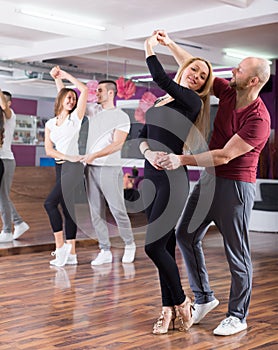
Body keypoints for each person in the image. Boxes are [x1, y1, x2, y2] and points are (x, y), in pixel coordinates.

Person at [157, 31, 271, 336]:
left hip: (234, 187)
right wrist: (169, 45)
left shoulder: (259, 118)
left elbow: (224, 156)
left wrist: (181, 160)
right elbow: (195, 68)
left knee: (237, 253)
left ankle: (238, 315)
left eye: (239, 70)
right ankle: (205, 297)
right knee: (184, 234)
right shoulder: (230, 92)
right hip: (208, 181)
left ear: (253, 81)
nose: (232, 71)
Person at [138, 31, 213, 334]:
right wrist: (148, 153)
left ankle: (182, 303)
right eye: (194, 68)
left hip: (173, 179)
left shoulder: (191, 101)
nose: (196, 75)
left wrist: (149, 46)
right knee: (164, 248)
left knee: (152, 247)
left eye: (203, 75)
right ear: (185, 68)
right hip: (151, 175)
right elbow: (141, 136)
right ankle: (167, 312)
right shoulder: (161, 101)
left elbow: (161, 77)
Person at [80, 80, 136, 266]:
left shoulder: (121, 116)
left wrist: (94, 154)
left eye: (100, 90)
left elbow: (117, 144)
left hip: (110, 168)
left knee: (117, 210)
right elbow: (74, 100)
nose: (97, 93)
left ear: (111, 93)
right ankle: (104, 250)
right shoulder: (93, 111)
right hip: (91, 168)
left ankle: (129, 244)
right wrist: (59, 77)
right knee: (95, 211)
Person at [44, 66, 88, 267]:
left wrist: (65, 75)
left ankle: (60, 247)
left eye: (73, 98)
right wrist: (66, 156)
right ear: (61, 99)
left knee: (49, 203)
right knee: (68, 209)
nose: (71, 100)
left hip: (73, 168)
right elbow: (49, 151)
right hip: (61, 165)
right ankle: (72, 254)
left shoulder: (75, 119)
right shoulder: (51, 124)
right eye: (68, 98)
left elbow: (85, 90)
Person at [0, 89, 30, 243]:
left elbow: (3, 106)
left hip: (5, 160)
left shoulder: (10, 115)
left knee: (3, 196)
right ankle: (18, 222)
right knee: (2, 196)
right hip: (3, 159)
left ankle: (7, 230)